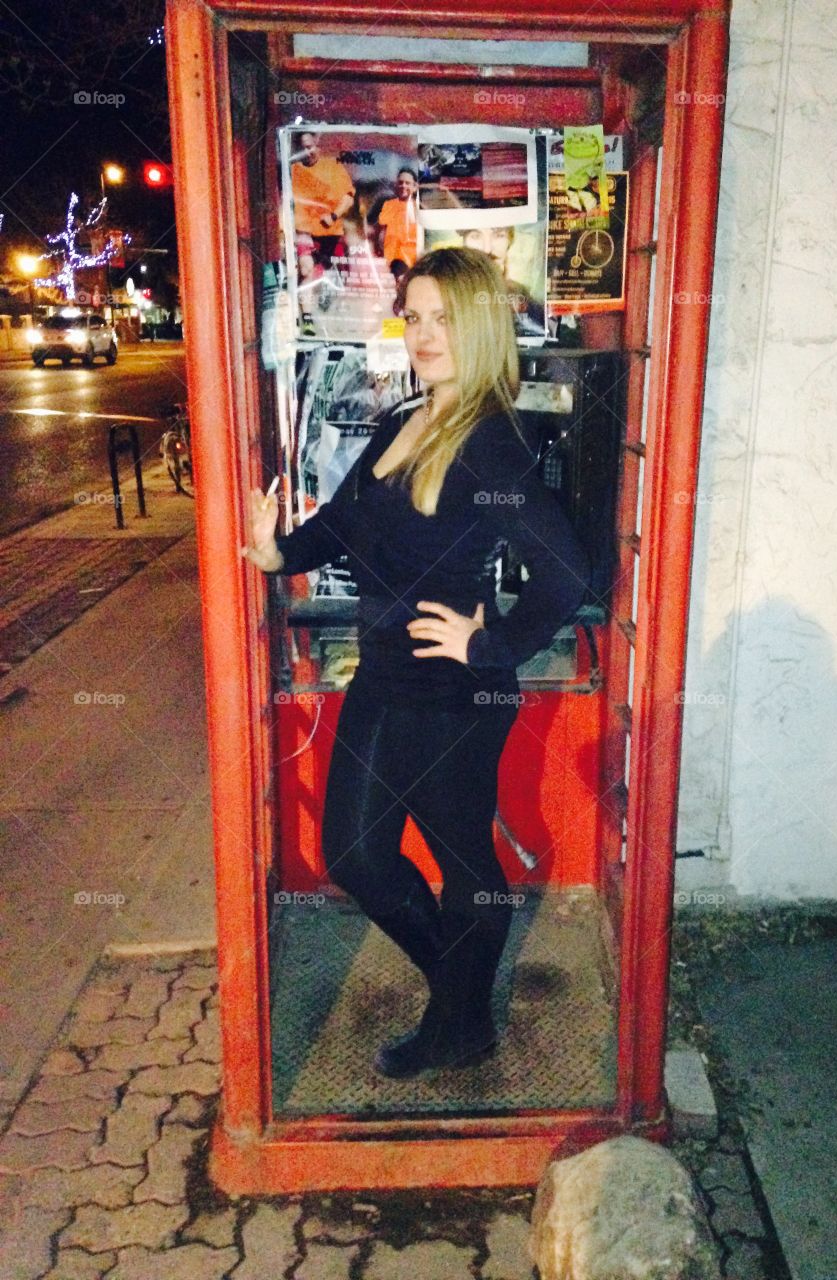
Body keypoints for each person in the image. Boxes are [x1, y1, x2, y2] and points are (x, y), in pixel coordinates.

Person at [242, 247, 590, 1079]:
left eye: (443, 318)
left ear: (478, 326)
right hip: (387, 676)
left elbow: (569, 571)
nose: (425, 334)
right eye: (415, 316)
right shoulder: (407, 419)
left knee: (465, 859)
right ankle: (461, 993)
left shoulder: (491, 442)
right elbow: (348, 520)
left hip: (455, 691)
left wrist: (492, 643)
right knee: (356, 856)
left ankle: (460, 1020)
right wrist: (276, 554)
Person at [291, 132, 356, 331]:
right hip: (304, 230)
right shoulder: (293, 170)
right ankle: (308, 321)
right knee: (306, 269)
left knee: (330, 273)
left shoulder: (333, 166)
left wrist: (334, 216)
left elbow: (348, 198)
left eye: (310, 146)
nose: (307, 151)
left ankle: (330, 301)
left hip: (331, 232)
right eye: (302, 148)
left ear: (317, 145)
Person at [375, 167, 419, 278]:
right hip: (391, 259)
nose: (403, 186)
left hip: (412, 261)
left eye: (407, 183)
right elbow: (380, 229)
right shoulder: (388, 204)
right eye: (400, 183)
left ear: (415, 187)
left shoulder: (419, 207)